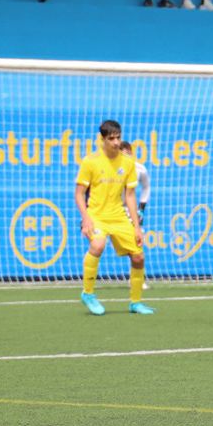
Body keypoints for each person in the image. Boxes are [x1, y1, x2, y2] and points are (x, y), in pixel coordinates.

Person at [73, 120, 154, 317]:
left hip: (118, 215)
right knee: (97, 246)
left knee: (138, 256)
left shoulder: (127, 163)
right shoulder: (90, 161)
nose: (116, 142)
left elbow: (130, 196)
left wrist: (136, 226)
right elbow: (78, 193)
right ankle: (88, 293)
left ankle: (135, 302)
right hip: (96, 215)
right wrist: (86, 219)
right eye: (111, 139)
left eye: (118, 137)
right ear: (102, 139)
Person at [119, 141, 150, 224]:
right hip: (111, 211)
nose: (126, 159)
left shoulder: (139, 169)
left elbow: (146, 187)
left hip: (130, 211)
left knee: (136, 236)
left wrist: (141, 209)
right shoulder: (110, 168)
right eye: (123, 156)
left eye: (128, 155)